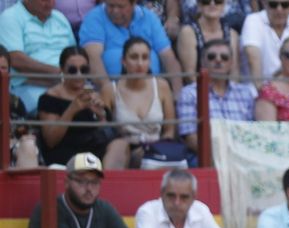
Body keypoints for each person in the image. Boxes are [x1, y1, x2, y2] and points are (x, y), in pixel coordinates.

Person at [25, 153, 141, 228]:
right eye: (81, 182)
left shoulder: (104, 208)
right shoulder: (51, 206)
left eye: (94, 182)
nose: (89, 189)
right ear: (66, 182)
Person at [34, 47, 134, 170]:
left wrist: (100, 115)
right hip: (65, 152)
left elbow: (108, 133)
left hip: (92, 150)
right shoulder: (49, 98)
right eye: (72, 70)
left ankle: (108, 186)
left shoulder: (92, 95)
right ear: (62, 69)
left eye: (84, 69)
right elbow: (50, 140)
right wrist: (72, 109)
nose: (79, 74)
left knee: (120, 145)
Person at [80, 0, 183, 100]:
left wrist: (177, 95)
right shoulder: (94, 17)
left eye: (120, 7)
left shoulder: (149, 18)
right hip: (111, 94)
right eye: (110, 6)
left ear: (133, 3)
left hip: (152, 94)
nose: (115, 11)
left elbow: (169, 58)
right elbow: (93, 58)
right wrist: (110, 92)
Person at [134, 168, 232, 228]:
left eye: (184, 197)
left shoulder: (201, 210)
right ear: (162, 193)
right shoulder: (147, 212)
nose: (177, 203)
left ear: (194, 197)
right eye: (171, 196)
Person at [111, 35, 181, 167]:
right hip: (124, 148)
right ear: (123, 61)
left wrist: (160, 147)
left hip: (157, 147)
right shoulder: (110, 89)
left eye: (144, 57)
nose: (139, 63)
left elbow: (169, 130)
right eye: (134, 57)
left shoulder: (162, 86)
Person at [178, 39, 255, 157]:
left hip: (242, 157)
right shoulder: (190, 93)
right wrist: (223, 156)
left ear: (231, 63)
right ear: (203, 62)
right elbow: (190, 138)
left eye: (224, 57)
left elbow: (252, 133)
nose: (218, 60)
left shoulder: (245, 93)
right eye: (211, 57)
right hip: (206, 158)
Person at [0, 0, 78, 113]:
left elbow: (75, 54)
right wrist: (59, 74)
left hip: (68, 84)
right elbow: (14, 58)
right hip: (31, 88)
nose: (50, 3)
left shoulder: (60, 17)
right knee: (58, 109)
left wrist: (69, 76)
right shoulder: (10, 17)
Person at [242, 0, 289, 82]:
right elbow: (253, 60)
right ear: (264, 3)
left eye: (285, 5)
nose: (279, 9)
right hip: (260, 88)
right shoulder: (253, 20)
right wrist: (264, 91)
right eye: (273, 4)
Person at [176, 0, 241, 81]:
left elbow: (234, 72)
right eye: (206, 2)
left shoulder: (232, 34)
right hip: (197, 90)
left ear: (223, 6)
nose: (212, 4)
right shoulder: (188, 32)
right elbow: (190, 75)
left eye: (218, 2)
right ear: (199, 6)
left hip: (226, 90)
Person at [1, 52, 42, 168]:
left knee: (28, 145)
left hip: (10, 150)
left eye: (3, 68)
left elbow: (23, 131)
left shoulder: (15, 102)